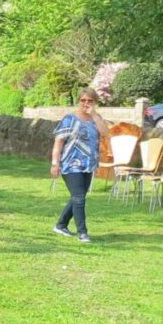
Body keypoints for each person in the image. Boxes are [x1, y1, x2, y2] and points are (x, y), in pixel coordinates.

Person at [50, 87, 110, 243]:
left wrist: (95, 115)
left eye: (90, 100)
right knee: (79, 198)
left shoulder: (96, 119)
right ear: (78, 101)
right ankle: (82, 233)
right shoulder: (70, 119)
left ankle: (61, 225)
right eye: (83, 100)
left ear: (95, 102)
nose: (86, 103)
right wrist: (55, 163)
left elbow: (104, 133)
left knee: (79, 197)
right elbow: (58, 142)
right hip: (71, 164)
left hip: (88, 165)